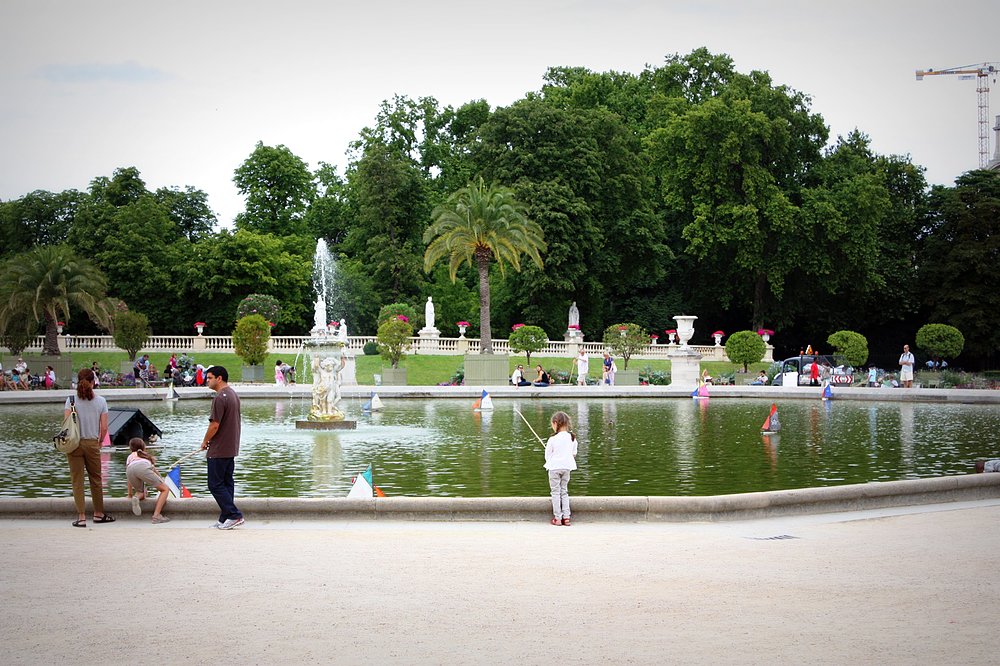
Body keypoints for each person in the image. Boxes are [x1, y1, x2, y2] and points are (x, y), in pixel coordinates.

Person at [65, 368, 113, 527]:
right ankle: (99, 513)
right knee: (96, 479)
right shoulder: (101, 401)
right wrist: (99, 441)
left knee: (77, 481)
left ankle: (81, 517)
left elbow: (66, 425)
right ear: (93, 382)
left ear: (78, 382)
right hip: (92, 442)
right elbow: (105, 427)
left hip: (74, 443)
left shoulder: (71, 400)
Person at [200, 366, 244, 530]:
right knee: (226, 483)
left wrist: (205, 441)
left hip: (219, 448)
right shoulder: (233, 394)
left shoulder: (219, 398)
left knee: (215, 484)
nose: (207, 380)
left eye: (210, 377)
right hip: (230, 446)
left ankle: (234, 514)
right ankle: (225, 517)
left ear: (219, 378)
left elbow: (215, 425)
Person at [125, 437, 171, 524]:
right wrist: (162, 481)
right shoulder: (145, 455)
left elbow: (128, 478)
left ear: (130, 448)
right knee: (165, 489)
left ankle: (136, 497)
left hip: (130, 470)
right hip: (143, 467)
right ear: (144, 447)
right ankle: (156, 516)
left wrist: (130, 494)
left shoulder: (130, 457)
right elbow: (154, 471)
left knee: (141, 492)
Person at [544, 411, 578, 526]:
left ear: (555, 423)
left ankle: (558, 518)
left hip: (554, 468)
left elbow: (547, 456)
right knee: (564, 491)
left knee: (555, 492)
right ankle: (566, 517)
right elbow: (573, 454)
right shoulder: (572, 438)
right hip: (566, 468)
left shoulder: (552, 439)